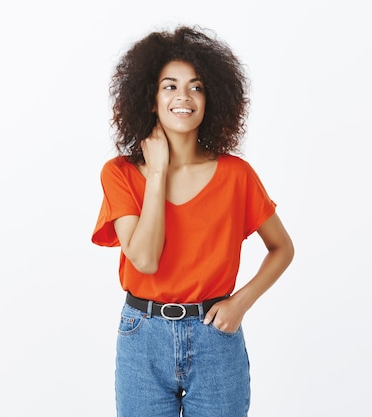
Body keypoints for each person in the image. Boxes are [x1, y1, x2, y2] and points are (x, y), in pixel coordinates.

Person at [91, 25, 294, 417]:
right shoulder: (119, 173)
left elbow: (282, 248)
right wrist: (156, 173)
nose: (183, 96)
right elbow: (145, 260)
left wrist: (241, 303)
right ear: (149, 99)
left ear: (210, 97)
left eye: (196, 86)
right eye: (169, 86)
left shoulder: (237, 175)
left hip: (216, 337)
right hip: (142, 338)